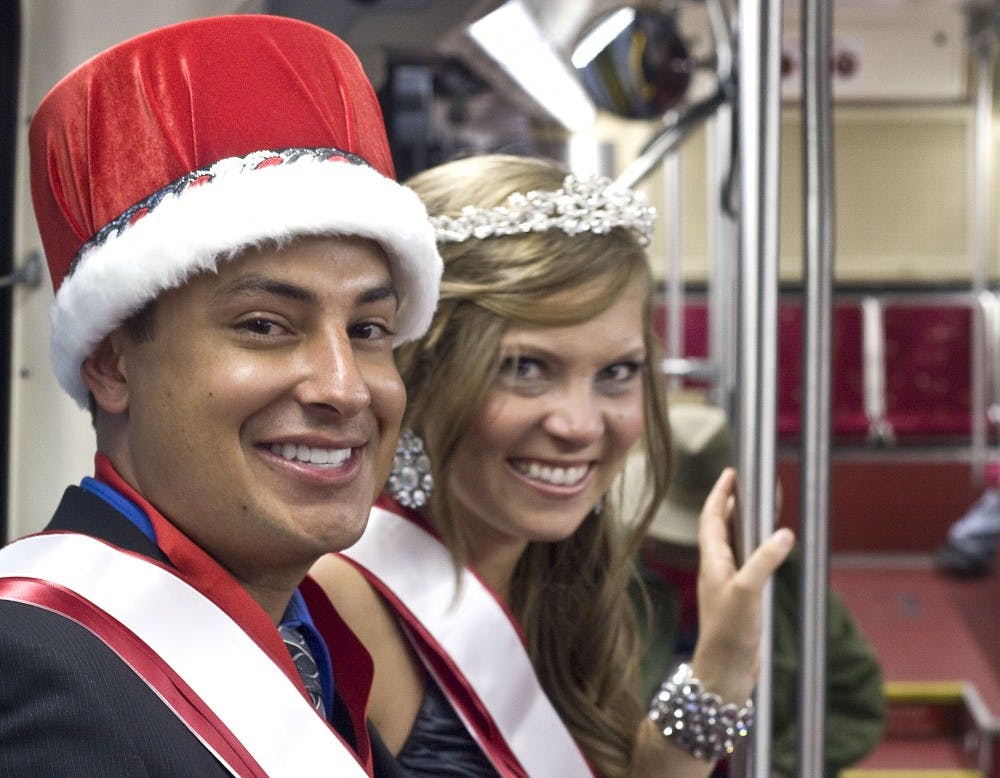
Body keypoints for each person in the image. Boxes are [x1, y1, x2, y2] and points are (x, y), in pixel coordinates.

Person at [0, 15, 442, 777]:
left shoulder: (304, 643)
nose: (344, 388)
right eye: (266, 325)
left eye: (369, 329)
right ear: (112, 365)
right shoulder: (39, 673)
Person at [310, 153, 795, 778]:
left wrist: (719, 673)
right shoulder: (337, 605)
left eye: (617, 373)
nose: (581, 425)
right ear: (419, 374)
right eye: (526, 369)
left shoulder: (566, 572)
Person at [623, 401, 886, 777]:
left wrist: (780, 765)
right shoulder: (603, 576)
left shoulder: (790, 581)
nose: (683, 552)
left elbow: (854, 702)